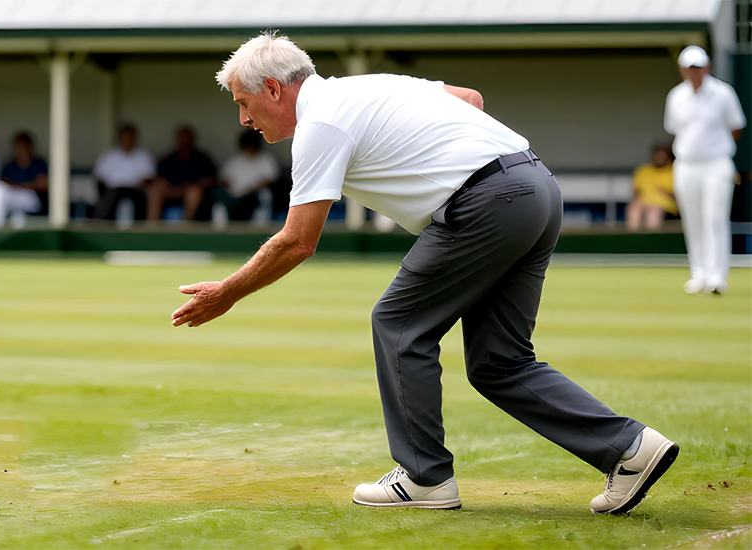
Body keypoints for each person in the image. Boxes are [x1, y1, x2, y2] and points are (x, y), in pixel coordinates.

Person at [171, 32, 679, 515]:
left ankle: (424, 478)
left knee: (397, 324)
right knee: (499, 362)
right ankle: (630, 448)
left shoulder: (319, 125)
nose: (242, 118)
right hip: (536, 187)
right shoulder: (369, 86)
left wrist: (227, 292)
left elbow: (298, 241)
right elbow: (472, 99)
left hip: (486, 203)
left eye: (242, 102)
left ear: (275, 89)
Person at [664, 46, 747, 295]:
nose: (694, 72)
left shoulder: (723, 93)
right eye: (690, 68)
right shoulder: (676, 96)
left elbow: (736, 127)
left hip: (716, 163)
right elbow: (674, 129)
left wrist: (716, 148)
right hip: (686, 164)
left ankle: (716, 276)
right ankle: (698, 273)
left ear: (707, 67)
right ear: (682, 70)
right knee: (693, 220)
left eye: (698, 67)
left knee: (714, 218)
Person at [0, 132, 48, 230]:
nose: (20, 150)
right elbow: (3, 183)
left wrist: (19, 185)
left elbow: (43, 185)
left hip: (33, 199)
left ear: (29, 147)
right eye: (18, 147)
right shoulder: (9, 166)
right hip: (13, 199)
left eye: (23, 146)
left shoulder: (39, 164)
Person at [147, 126, 216, 221]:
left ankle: (187, 228)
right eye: (181, 137)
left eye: (186, 137)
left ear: (192, 139)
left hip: (190, 193)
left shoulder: (202, 159)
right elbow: (159, 178)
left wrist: (185, 188)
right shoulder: (168, 159)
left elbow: (210, 179)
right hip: (170, 193)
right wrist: (170, 189)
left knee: (193, 192)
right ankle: (151, 227)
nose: (184, 140)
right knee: (155, 190)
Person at [92, 124, 156, 221]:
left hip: (135, 190)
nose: (128, 141)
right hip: (113, 190)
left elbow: (148, 178)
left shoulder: (144, 156)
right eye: (125, 137)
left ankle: (139, 228)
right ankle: (101, 224)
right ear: (120, 138)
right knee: (110, 198)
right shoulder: (109, 156)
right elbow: (99, 177)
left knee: (140, 200)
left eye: (130, 137)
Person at [214, 129, 280, 221]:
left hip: (253, 196)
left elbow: (268, 180)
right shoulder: (235, 160)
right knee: (218, 199)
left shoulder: (265, 159)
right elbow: (224, 179)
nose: (250, 147)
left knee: (264, 195)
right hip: (234, 197)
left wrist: (249, 190)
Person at [626, 144, 677, 231]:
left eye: (662, 156)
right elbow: (636, 191)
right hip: (643, 201)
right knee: (634, 209)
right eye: (658, 155)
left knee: (653, 213)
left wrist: (666, 193)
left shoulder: (673, 171)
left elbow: (678, 195)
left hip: (663, 204)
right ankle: (633, 239)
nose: (660, 158)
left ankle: (651, 239)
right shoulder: (644, 170)